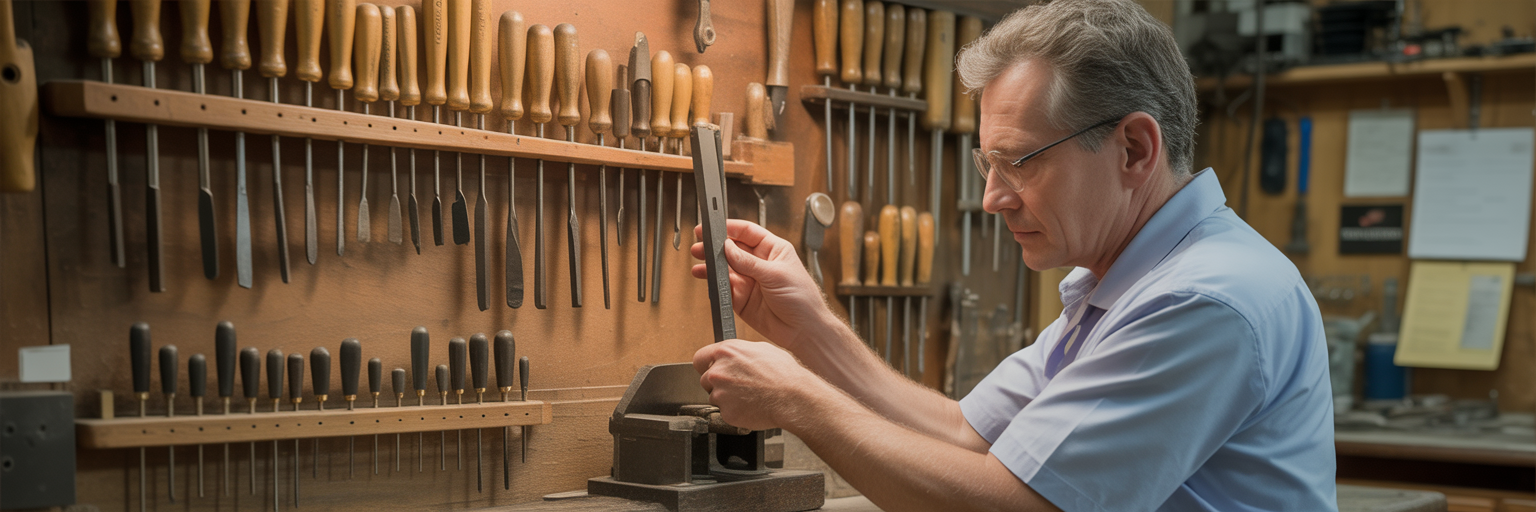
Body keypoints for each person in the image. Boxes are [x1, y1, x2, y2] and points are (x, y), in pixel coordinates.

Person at [688, 0, 1336, 510]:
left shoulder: (1201, 299)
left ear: (1135, 149)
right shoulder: (1121, 280)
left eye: (1018, 162)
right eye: (986, 164)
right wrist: (813, 331)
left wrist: (801, 401)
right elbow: (970, 435)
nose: (994, 197)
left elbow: (1016, 505)